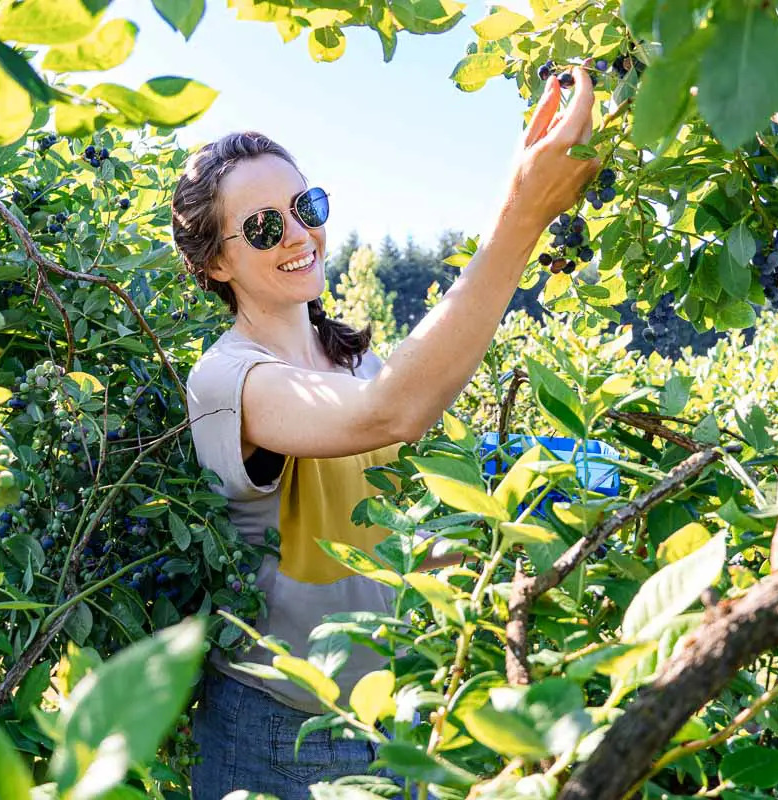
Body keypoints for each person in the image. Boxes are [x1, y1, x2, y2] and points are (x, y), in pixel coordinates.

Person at [170, 68, 600, 800]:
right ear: (215, 262)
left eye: (304, 206)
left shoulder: (355, 362)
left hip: (384, 723)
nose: (300, 234)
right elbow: (389, 415)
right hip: (275, 734)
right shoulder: (229, 381)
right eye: (265, 227)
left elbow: (402, 520)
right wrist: (520, 215)